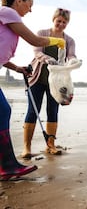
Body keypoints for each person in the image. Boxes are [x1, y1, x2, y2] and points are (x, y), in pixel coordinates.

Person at [0, 0, 65, 180]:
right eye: (29, 4)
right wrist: (57, 41)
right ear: (18, 1)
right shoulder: (9, 12)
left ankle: (7, 166)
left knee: (3, 111)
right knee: (3, 111)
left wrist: (16, 67)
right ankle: (8, 167)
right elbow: (35, 41)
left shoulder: (7, 15)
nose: (30, 9)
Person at [21, 8, 76, 158]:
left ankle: (50, 145)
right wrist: (47, 59)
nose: (61, 24)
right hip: (37, 78)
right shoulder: (42, 33)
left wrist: (73, 61)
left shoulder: (69, 40)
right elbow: (37, 52)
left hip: (56, 83)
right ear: (53, 20)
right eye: (59, 21)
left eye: (64, 22)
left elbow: (71, 56)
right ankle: (27, 147)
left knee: (53, 111)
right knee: (33, 111)